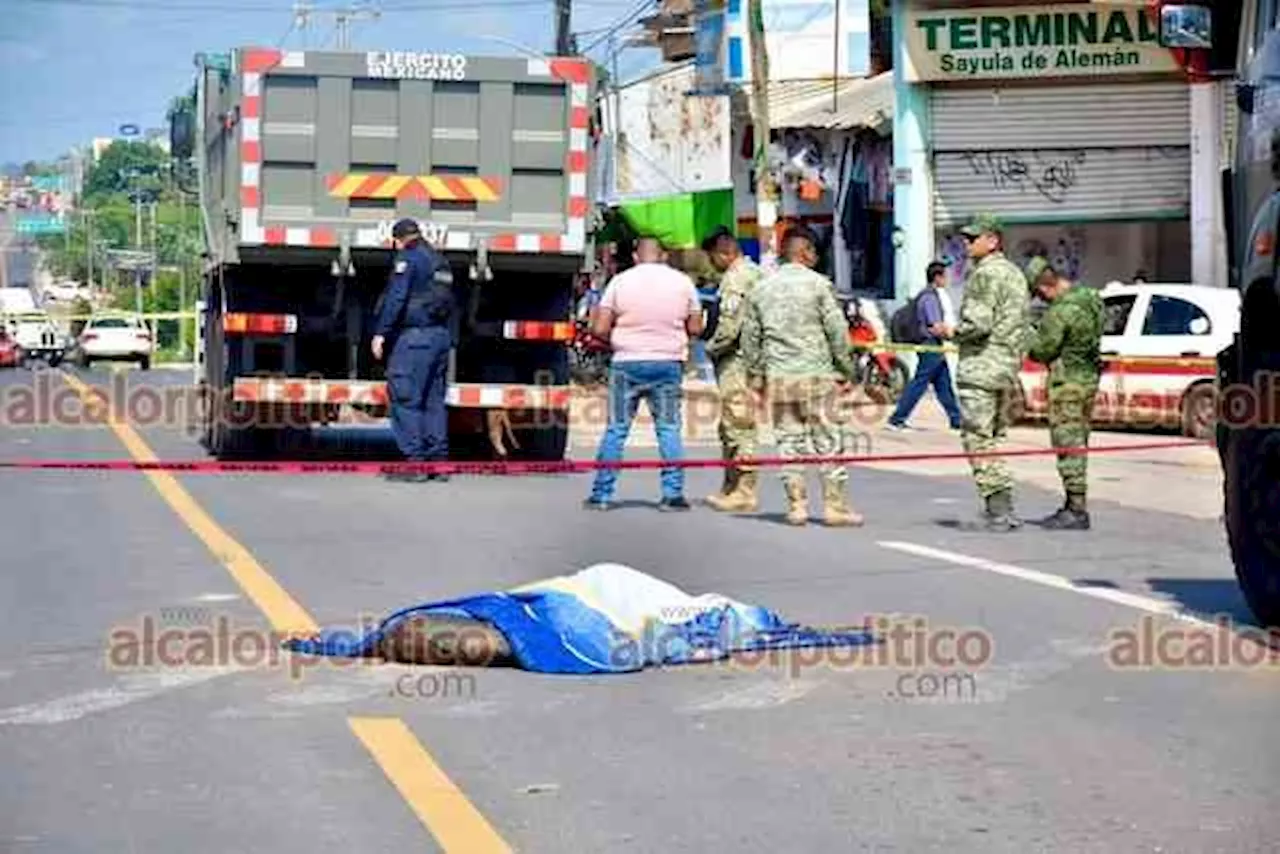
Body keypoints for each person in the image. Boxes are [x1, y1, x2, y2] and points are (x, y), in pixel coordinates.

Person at [740, 225, 862, 527]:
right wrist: (847, 370)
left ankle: (796, 506)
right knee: (829, 443)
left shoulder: (761, 288)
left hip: (781, 378)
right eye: (813, 252)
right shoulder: (820, 285)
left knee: (789, 443)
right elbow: (837, 332)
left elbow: (750, 339)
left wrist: (756, 378)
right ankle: (835, 508)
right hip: (818, 376)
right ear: (805, 252)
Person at [584, 235, 703, 511]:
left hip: (626, 362)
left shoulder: (620, 281)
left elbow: (600, 328)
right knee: (668, 428)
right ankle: (672, 495)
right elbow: (695, 328)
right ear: (662, 256)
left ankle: (602, 494)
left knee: (616, 429)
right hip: (668, 363)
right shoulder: (683, 282)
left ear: (636, 256)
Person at [942, 213, 1031, 531]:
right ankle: (1002, 505)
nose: (966, 243)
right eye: (965, 238)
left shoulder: (984, 274)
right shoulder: (1015, 274)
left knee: (978, 440)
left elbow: (978, 324)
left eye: (973, 238)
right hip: (1005, 367)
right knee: (993, 439)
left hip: (980, 368)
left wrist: (950, 331)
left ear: (993, 240)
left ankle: (999, 508)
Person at [372, 218, 457, 483]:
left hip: (414, 339)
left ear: (399, 240)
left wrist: (380, 333)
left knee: (406, 398)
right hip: (440, 338)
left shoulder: (407, 259)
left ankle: (416, 464)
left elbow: (396, 298)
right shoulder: (439, 260)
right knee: (433, 401)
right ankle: (438, 463)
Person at [1025, 256, 1104, 530]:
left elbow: (1042, 350)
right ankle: (1075, 506)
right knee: (1079, 440)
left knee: (1068, 444)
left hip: (1067, 383)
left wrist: (1029, 334)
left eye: (1039, 294)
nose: (1041, 299)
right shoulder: (1092, 298)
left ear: (1045, 287)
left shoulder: (1059, 312)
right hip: (1089, 378)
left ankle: (1076, 508)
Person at [700, 225, 764, 511]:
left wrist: (711, 348)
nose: (711, 264)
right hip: (751, 359)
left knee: (739, 425)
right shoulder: (755, 273)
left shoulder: (736, 280)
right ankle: (732, 485)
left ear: (723, 252)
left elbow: (729, 327)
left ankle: (744, 489)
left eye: (712, 257)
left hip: (737, 361)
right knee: (732, 423)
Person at [886, 260, 963, 431]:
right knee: (919, 383)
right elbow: (935, 326)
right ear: (937, 277)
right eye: (944, 276)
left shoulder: (929, 295)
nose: (947, 279)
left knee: (944, 385)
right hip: (930, 345)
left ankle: (957, 420)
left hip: (935, 345)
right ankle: (897, 419)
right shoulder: (929, 298)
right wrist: (955, 334)